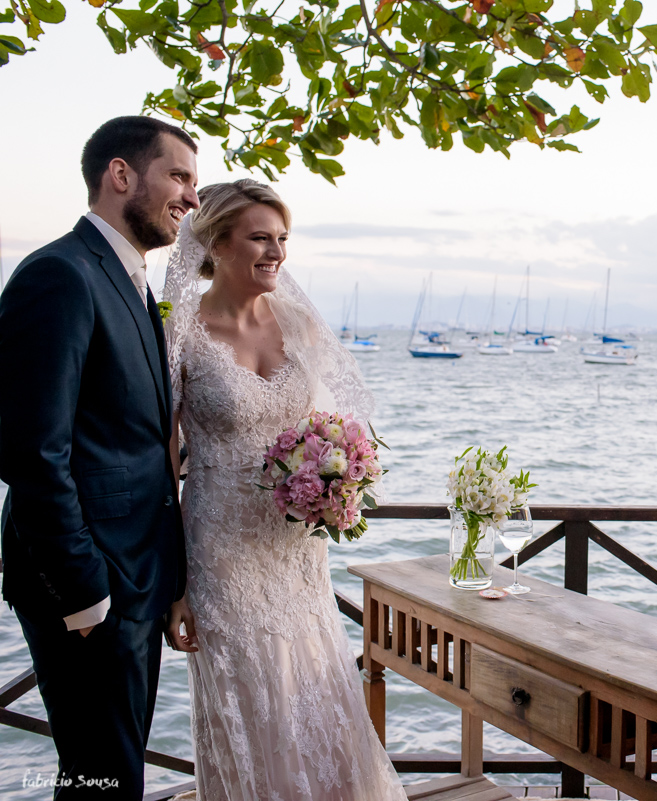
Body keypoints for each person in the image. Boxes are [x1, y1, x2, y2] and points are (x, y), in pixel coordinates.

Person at [160, 179, 406, 800]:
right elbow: (164, 459)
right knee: (249, 701)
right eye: (260, 238)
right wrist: (175, 583)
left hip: (296, 545)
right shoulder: (180, 328)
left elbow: (328, 424)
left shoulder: (297, 322)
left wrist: (341, 473)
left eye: (282, 238)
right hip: (220, 549)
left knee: (316, 685)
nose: (277, 252)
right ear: (217, 244)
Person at [0, 116, 198, 797]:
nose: (191, 197)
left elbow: (129, 435)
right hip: (87, 587)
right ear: (120, 175)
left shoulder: (131, 280)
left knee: (113, 773)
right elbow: (31, 450)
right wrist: (84, 592)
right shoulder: (60, 275)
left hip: (136, 576)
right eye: (178, 176)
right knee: (102, 778)